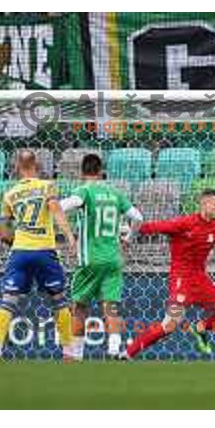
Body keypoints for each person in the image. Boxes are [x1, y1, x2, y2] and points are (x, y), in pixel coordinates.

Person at [123, 189, 215, 359]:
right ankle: (126, 354)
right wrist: (128, 232)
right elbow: (153, 227)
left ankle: (201, 327)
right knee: (170, 325)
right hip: (181, 281)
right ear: (204, 204)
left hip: (202, 281)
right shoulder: (184, 223)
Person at [0, 150, 76, 361]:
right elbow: (56, 211)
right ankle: (68, 352)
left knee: (8, 301)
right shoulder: (46, 187)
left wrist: (15, 244)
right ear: (37, 166)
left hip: (20, 252)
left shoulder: (9, 194)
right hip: (45, 251)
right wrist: (69, 236)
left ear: (17, 166)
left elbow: (3, 232)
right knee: (59, 301)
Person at [60, 153, 143, 360]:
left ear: (82, 172)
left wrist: (55, 208)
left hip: (90, 260)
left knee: (79, 307)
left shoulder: (84, 191)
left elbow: (64, 206)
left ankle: (75, 356)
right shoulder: (115, 193)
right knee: (111, 306)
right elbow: (138, 217)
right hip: (113, 259)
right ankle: (114, 351)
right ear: (101, 171)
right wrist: (128, 239)